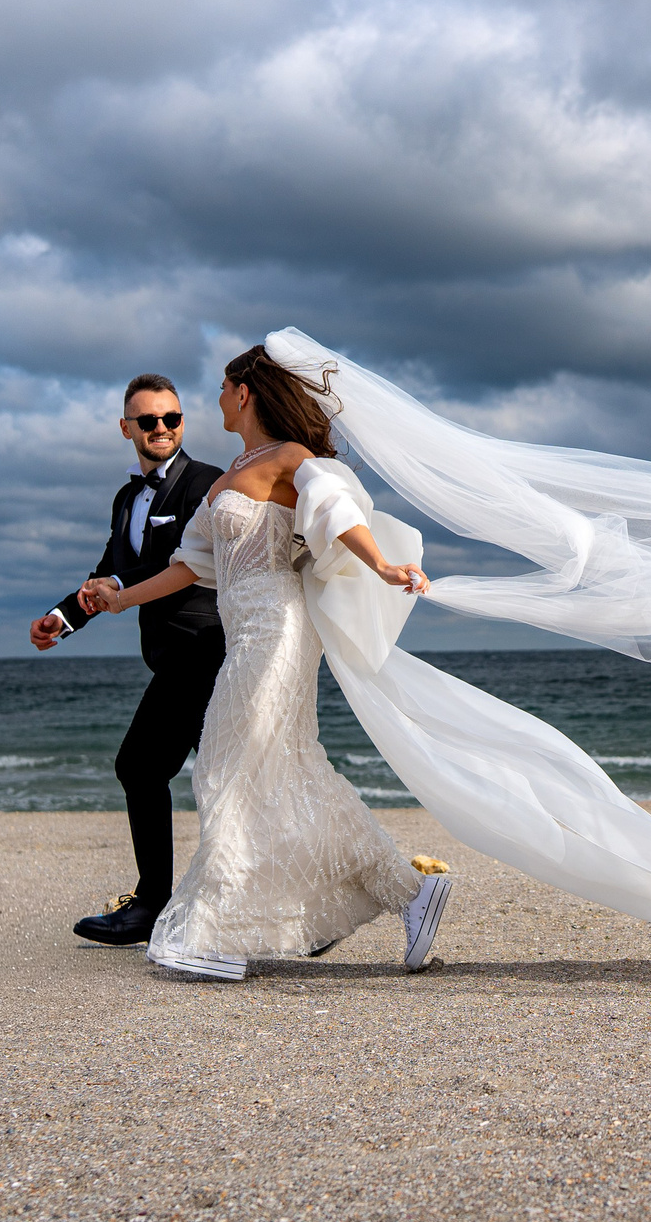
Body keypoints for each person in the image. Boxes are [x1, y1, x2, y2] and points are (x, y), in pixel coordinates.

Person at [80, 349, 446, 981]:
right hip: (244, 635)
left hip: (279, 631)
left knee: (226, 768)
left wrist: (383, 566)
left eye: (223, 387)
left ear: (244, 393)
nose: (217, 399)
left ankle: (216, 936)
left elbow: (335, 508)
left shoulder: (288, 459)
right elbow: (191, 566)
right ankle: (411, 892)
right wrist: (120, 599)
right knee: (287, 771)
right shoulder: (230, 475)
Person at [27, 373, 227, 947]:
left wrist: (115, 584)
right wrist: (63, 617)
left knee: (146, 768)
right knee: (222, 780)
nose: (162, 428)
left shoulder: (206, 483)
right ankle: (166, 905)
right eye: (148, 420)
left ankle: (153, 906)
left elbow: (180, 560)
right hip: (171, 659)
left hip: (206, 651)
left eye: (172, 418)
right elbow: (110, 566)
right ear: (126, 428)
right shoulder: (125, 499)